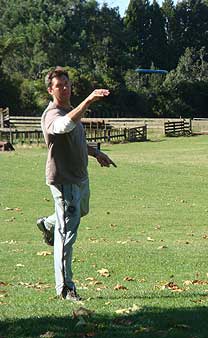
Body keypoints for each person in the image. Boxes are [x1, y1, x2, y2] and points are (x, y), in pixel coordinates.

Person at [37, 66, 116, 301]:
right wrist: (89, 100)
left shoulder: (69, 110)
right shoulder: (53, 114)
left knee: (81, 211)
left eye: (67, 84)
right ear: (50, 90)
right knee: (67, 234)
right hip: (64, 181)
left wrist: (95, 152)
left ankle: (49, 223)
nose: (65, 88)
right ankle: (65, 288)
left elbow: (74, 138)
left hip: (80, 177)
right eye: (59, 85)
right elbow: (64, 127)